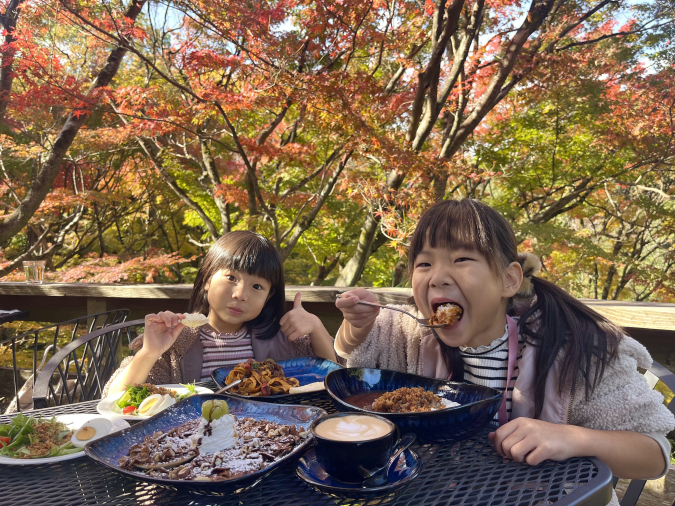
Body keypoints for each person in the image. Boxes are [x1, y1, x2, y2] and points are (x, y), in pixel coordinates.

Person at [335, 199, 674, 505]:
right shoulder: (407, 332)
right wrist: (357, 325)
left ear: (509, 280)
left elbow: (654, 454)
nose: (436, 277)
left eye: (461, 259)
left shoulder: (574, 347)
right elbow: (348, 354)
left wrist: (571, 438)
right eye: (423, 264)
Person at [105, 231, 335, 396]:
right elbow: (114, 398)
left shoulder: (282, 337)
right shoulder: (177, 341)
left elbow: (334, 378)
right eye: (231, 278)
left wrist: (316, 326)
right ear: (206, 279)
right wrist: (149, 352)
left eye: (257, 287)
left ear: (269, 296)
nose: (240, 294)